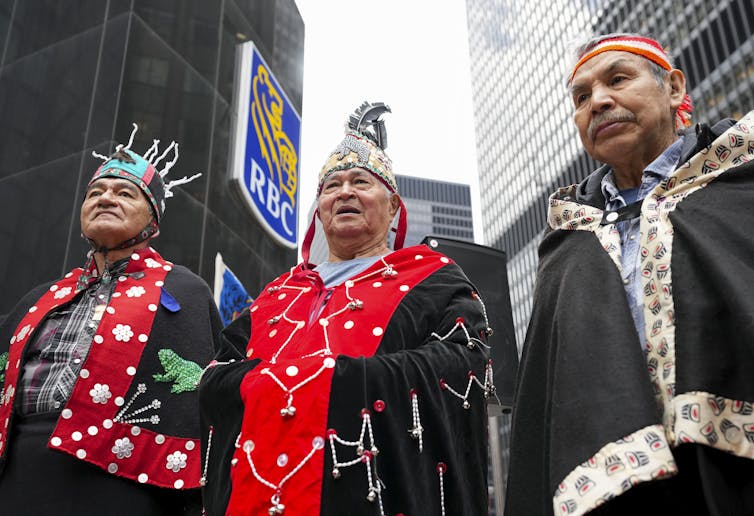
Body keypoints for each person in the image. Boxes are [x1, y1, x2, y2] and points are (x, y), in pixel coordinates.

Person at [198, 102, 494, 516]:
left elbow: (462, 362)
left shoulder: (432, 278)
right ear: (319, 210)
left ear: (393, 207)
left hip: (372, 494)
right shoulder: (277, 293)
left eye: (361, 181)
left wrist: (334, 380)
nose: (345, 192)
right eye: (331, 186)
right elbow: (216, 376)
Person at [505, 33, 754, 516]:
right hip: (621, 498)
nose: (598, 101)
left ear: (674, 88)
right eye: (581, 97)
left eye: (618, 79)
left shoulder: (739, 184)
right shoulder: (566, 238)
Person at [0, 124, 222, 515]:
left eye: (124, 193)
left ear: (153, 219)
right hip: (18, 475)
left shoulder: (185, 291)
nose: (106, 199)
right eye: (95, 193)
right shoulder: (38, 299)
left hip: (123, 485)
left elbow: (207, 403)